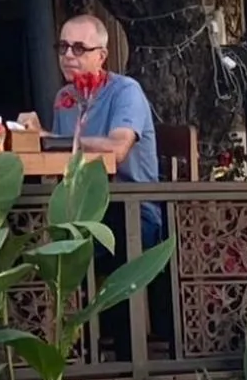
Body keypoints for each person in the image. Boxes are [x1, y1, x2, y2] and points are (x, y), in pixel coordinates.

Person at [16, 12, 163, 244]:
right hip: (81, 206)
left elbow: (117, 149)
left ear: (102, 56)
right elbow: (60, 159)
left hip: (129, 207)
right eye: (63, 47)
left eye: (79, 49)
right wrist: (31, 137)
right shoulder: (65, 96)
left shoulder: (125, 91)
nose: (68, 56)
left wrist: (52, 139)